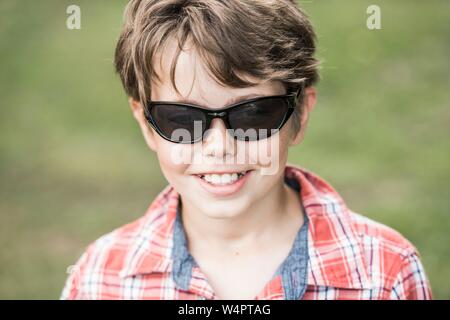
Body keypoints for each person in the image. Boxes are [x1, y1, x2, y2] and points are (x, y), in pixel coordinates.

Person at [61, 0, 432, 300]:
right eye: (181, 117)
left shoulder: (384, 273)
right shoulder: (98, 279)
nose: (220, 147)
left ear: (300, 114)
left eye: (253, 113)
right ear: (146, 124)